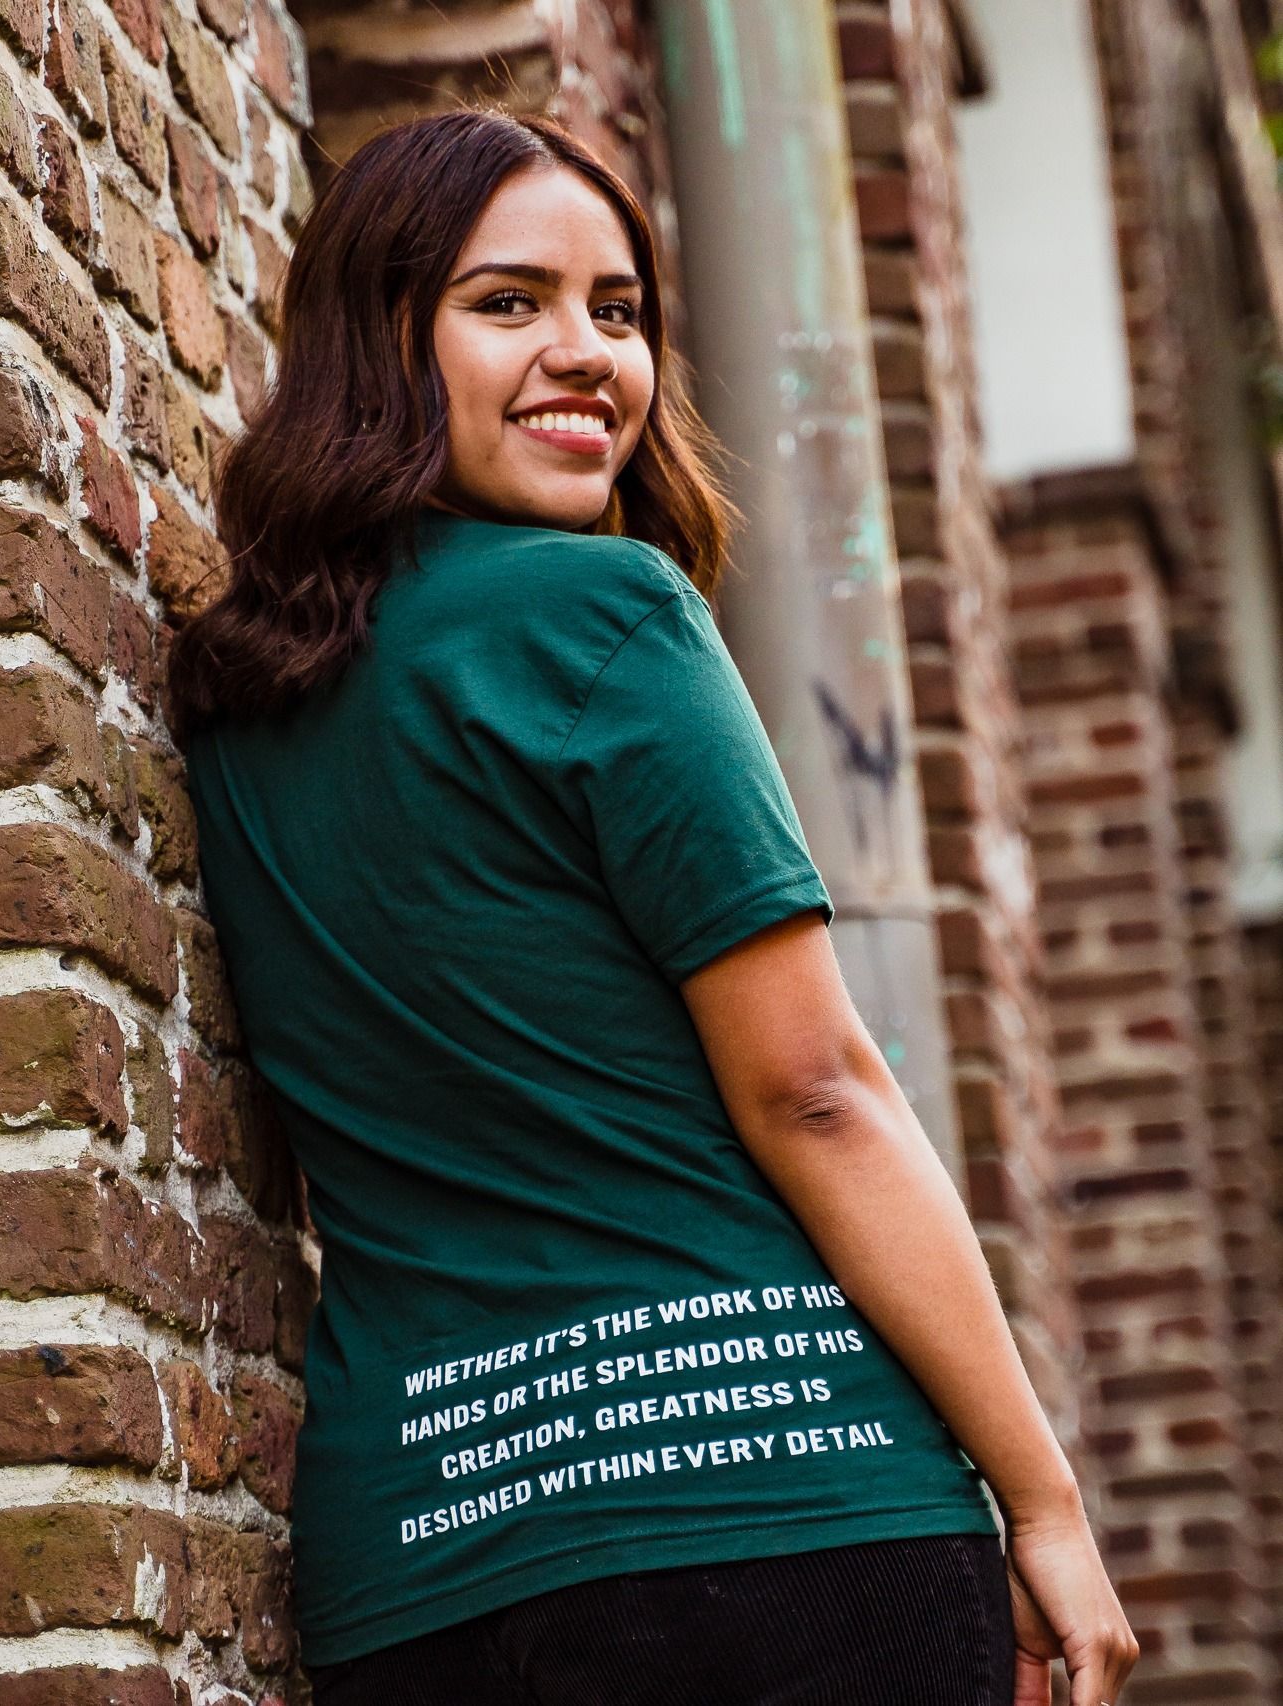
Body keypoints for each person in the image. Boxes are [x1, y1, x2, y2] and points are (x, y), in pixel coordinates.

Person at [167, 106, 1139, 1706]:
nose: (586, 355)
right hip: (778, 1515)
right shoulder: (607, 614)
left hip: (418, 1563)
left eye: (617, 310)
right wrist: (1043, 1497)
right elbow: (816, 1089)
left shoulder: (233, 707)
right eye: (508, 302)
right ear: (374, 340)